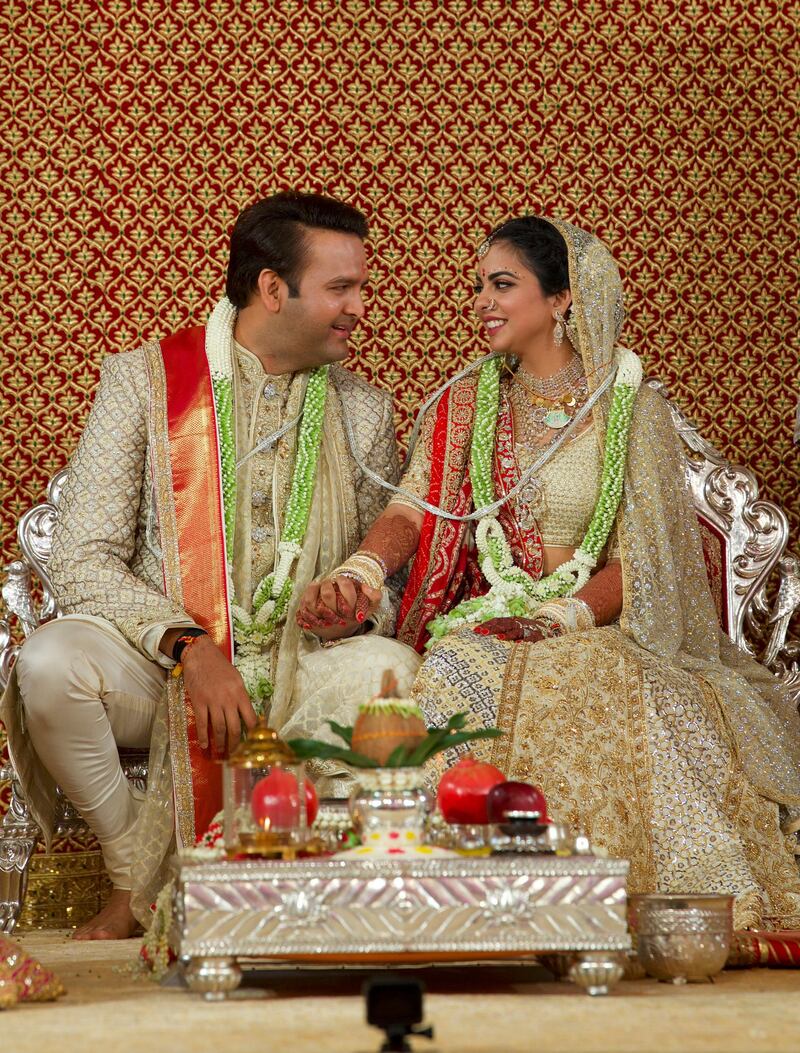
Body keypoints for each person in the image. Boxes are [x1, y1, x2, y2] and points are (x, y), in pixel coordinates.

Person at [300, 216, 800, 929]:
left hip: (600, 628)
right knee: (449, 670)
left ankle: (597, 894)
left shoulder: (629, 408)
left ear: (564, 299)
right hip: (487, 625)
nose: (482, 301)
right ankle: (465, 897)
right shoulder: (464, 403)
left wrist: (559, 617)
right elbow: (413, 511)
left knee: (593, 680)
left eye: (503, 285)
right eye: (479, 285)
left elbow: (648, 556)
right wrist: (362, 567)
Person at [0, 192, 419, 939]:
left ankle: (316, 886)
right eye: (341, 287)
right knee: (50, 661)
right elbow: (82, 553)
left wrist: (354, 604)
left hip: (304, 662)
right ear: (271, 288)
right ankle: (141, 876)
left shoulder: (363, 410)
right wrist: (190, 646)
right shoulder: (143, 380)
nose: (360, 306)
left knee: (390, 668)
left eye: (361, 285)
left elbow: (385, 581)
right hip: (163, 669)